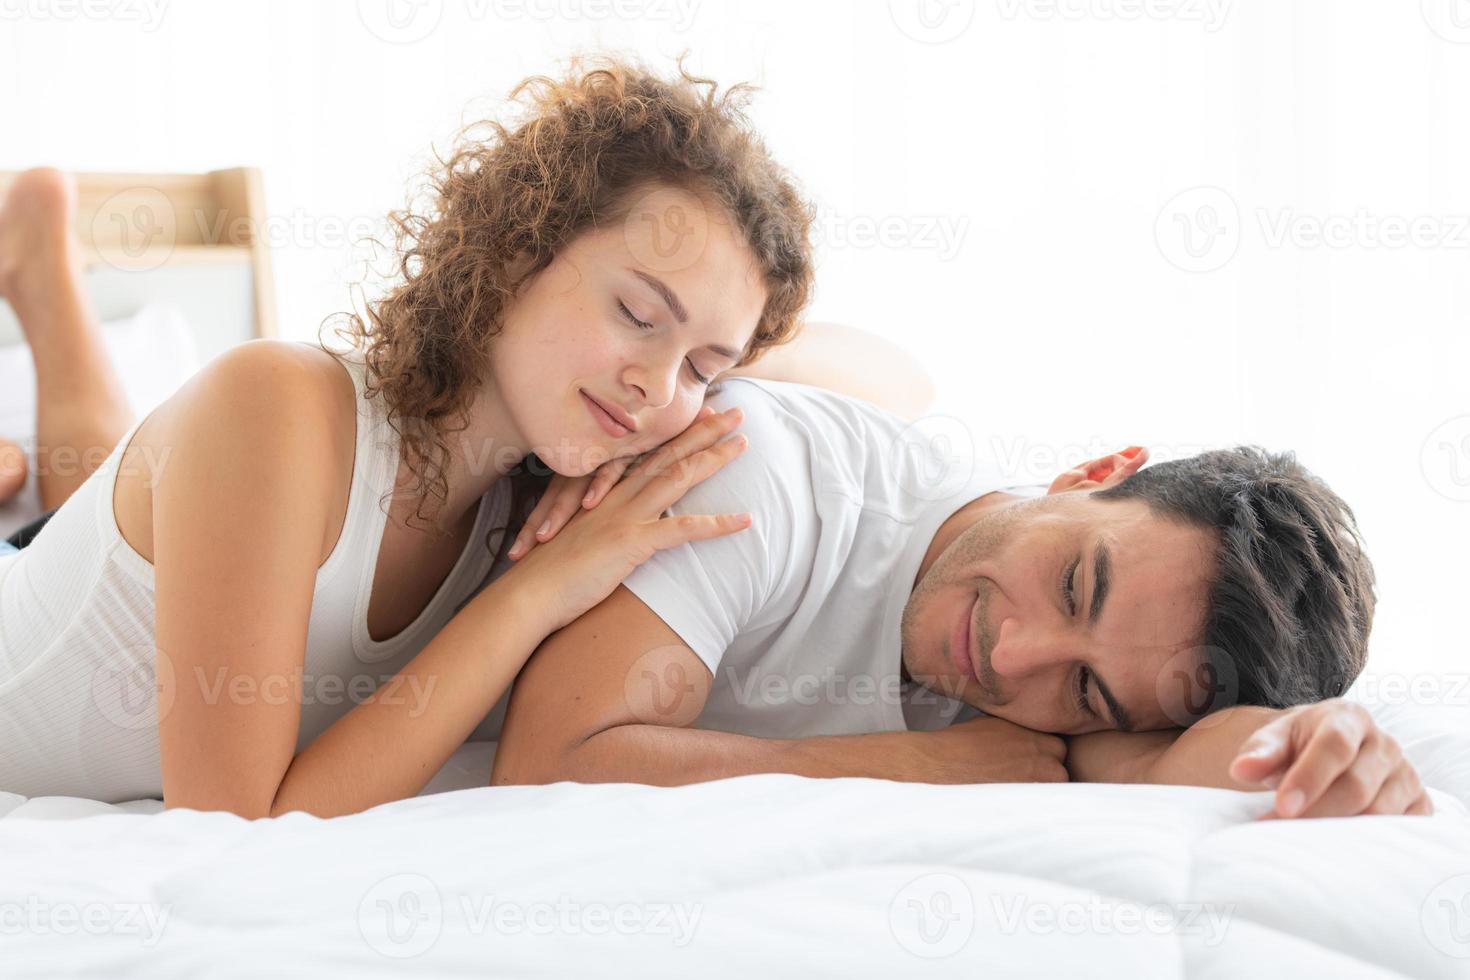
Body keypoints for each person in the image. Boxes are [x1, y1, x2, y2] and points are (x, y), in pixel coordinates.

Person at [0, 57, 929, 818]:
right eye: (640, 313)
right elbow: (237, 829)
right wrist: (535, 594)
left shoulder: (531, 493)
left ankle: (41, 282)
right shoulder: (271, 404)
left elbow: (901, 382)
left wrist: (713, 370)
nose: (657, 385)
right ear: (519, 247)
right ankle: (44, 283)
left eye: (703, 368)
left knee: (62, 507)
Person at [492, 378, 1432, 819]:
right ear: (1094, 472)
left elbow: (1168, 767)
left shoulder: (1080, 683)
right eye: (1075, 585)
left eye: (1088, 694)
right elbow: (548, 767)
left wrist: (1314, 741)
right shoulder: (761, 476)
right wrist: (906, 763)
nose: (1015, 658)